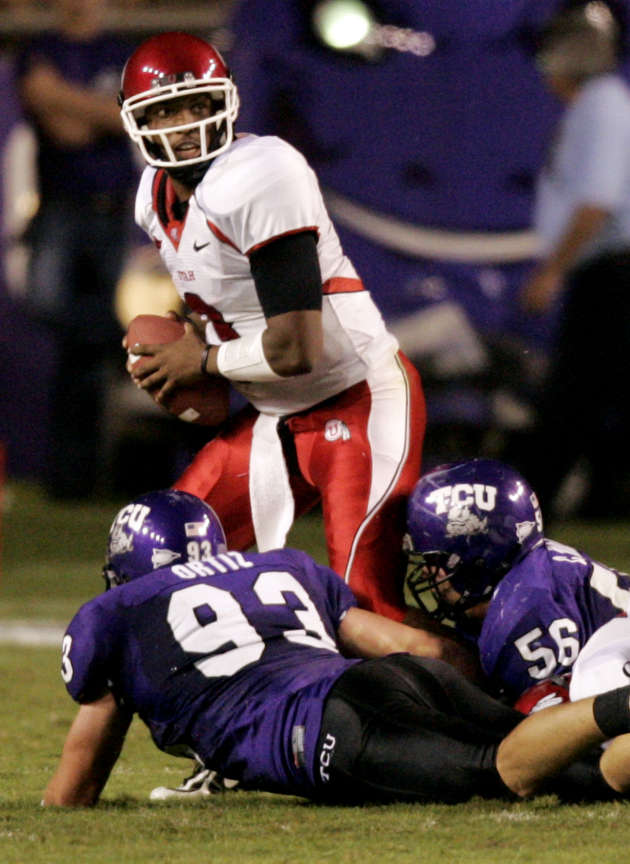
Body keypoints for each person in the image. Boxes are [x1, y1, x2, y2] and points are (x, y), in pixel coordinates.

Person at [43, 489, 630, 807]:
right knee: (584, 772)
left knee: (508, 772)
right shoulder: (280, 565)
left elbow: (77, 783)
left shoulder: (114, 615)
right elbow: (415, 646)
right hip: (394, 679)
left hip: (334, 730)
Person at [118, 32, 425, 622]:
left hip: (358, 399)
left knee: (365, 608)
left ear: (225, 105)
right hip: (274, 416)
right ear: (138, 120)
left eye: (198, 106)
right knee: (159, 561)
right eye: (166, 111)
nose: (184, 123)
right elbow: (221, 294)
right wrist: (180, 337)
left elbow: (296, 348)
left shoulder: (262, 173)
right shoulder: (152, 198)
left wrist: (200, 363)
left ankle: (497, 700)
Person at [15, 0, 137, 499]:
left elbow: (131, 119)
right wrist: (96, 110)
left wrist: (67, 100)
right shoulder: (41, 49)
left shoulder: (123, 54)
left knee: (84, 357)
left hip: (114, 212)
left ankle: (81, 479)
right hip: (62, 207)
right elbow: (67, 130)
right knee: (54, 308)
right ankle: (114, 341)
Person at [514, 1, 630, 518]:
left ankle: (530, 506)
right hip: (607, 270)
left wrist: (553, 270)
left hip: (612, 272)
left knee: (572, 393)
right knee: (597, 391)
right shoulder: (601, 104)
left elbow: (596, 202)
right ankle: (601, 499)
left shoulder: (602, 105)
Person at [405, 458, 630, 703]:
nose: (427, 572)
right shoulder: (526, 573)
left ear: (479, 557)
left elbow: (559, 727)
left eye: (436, 561)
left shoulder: (526, 614)